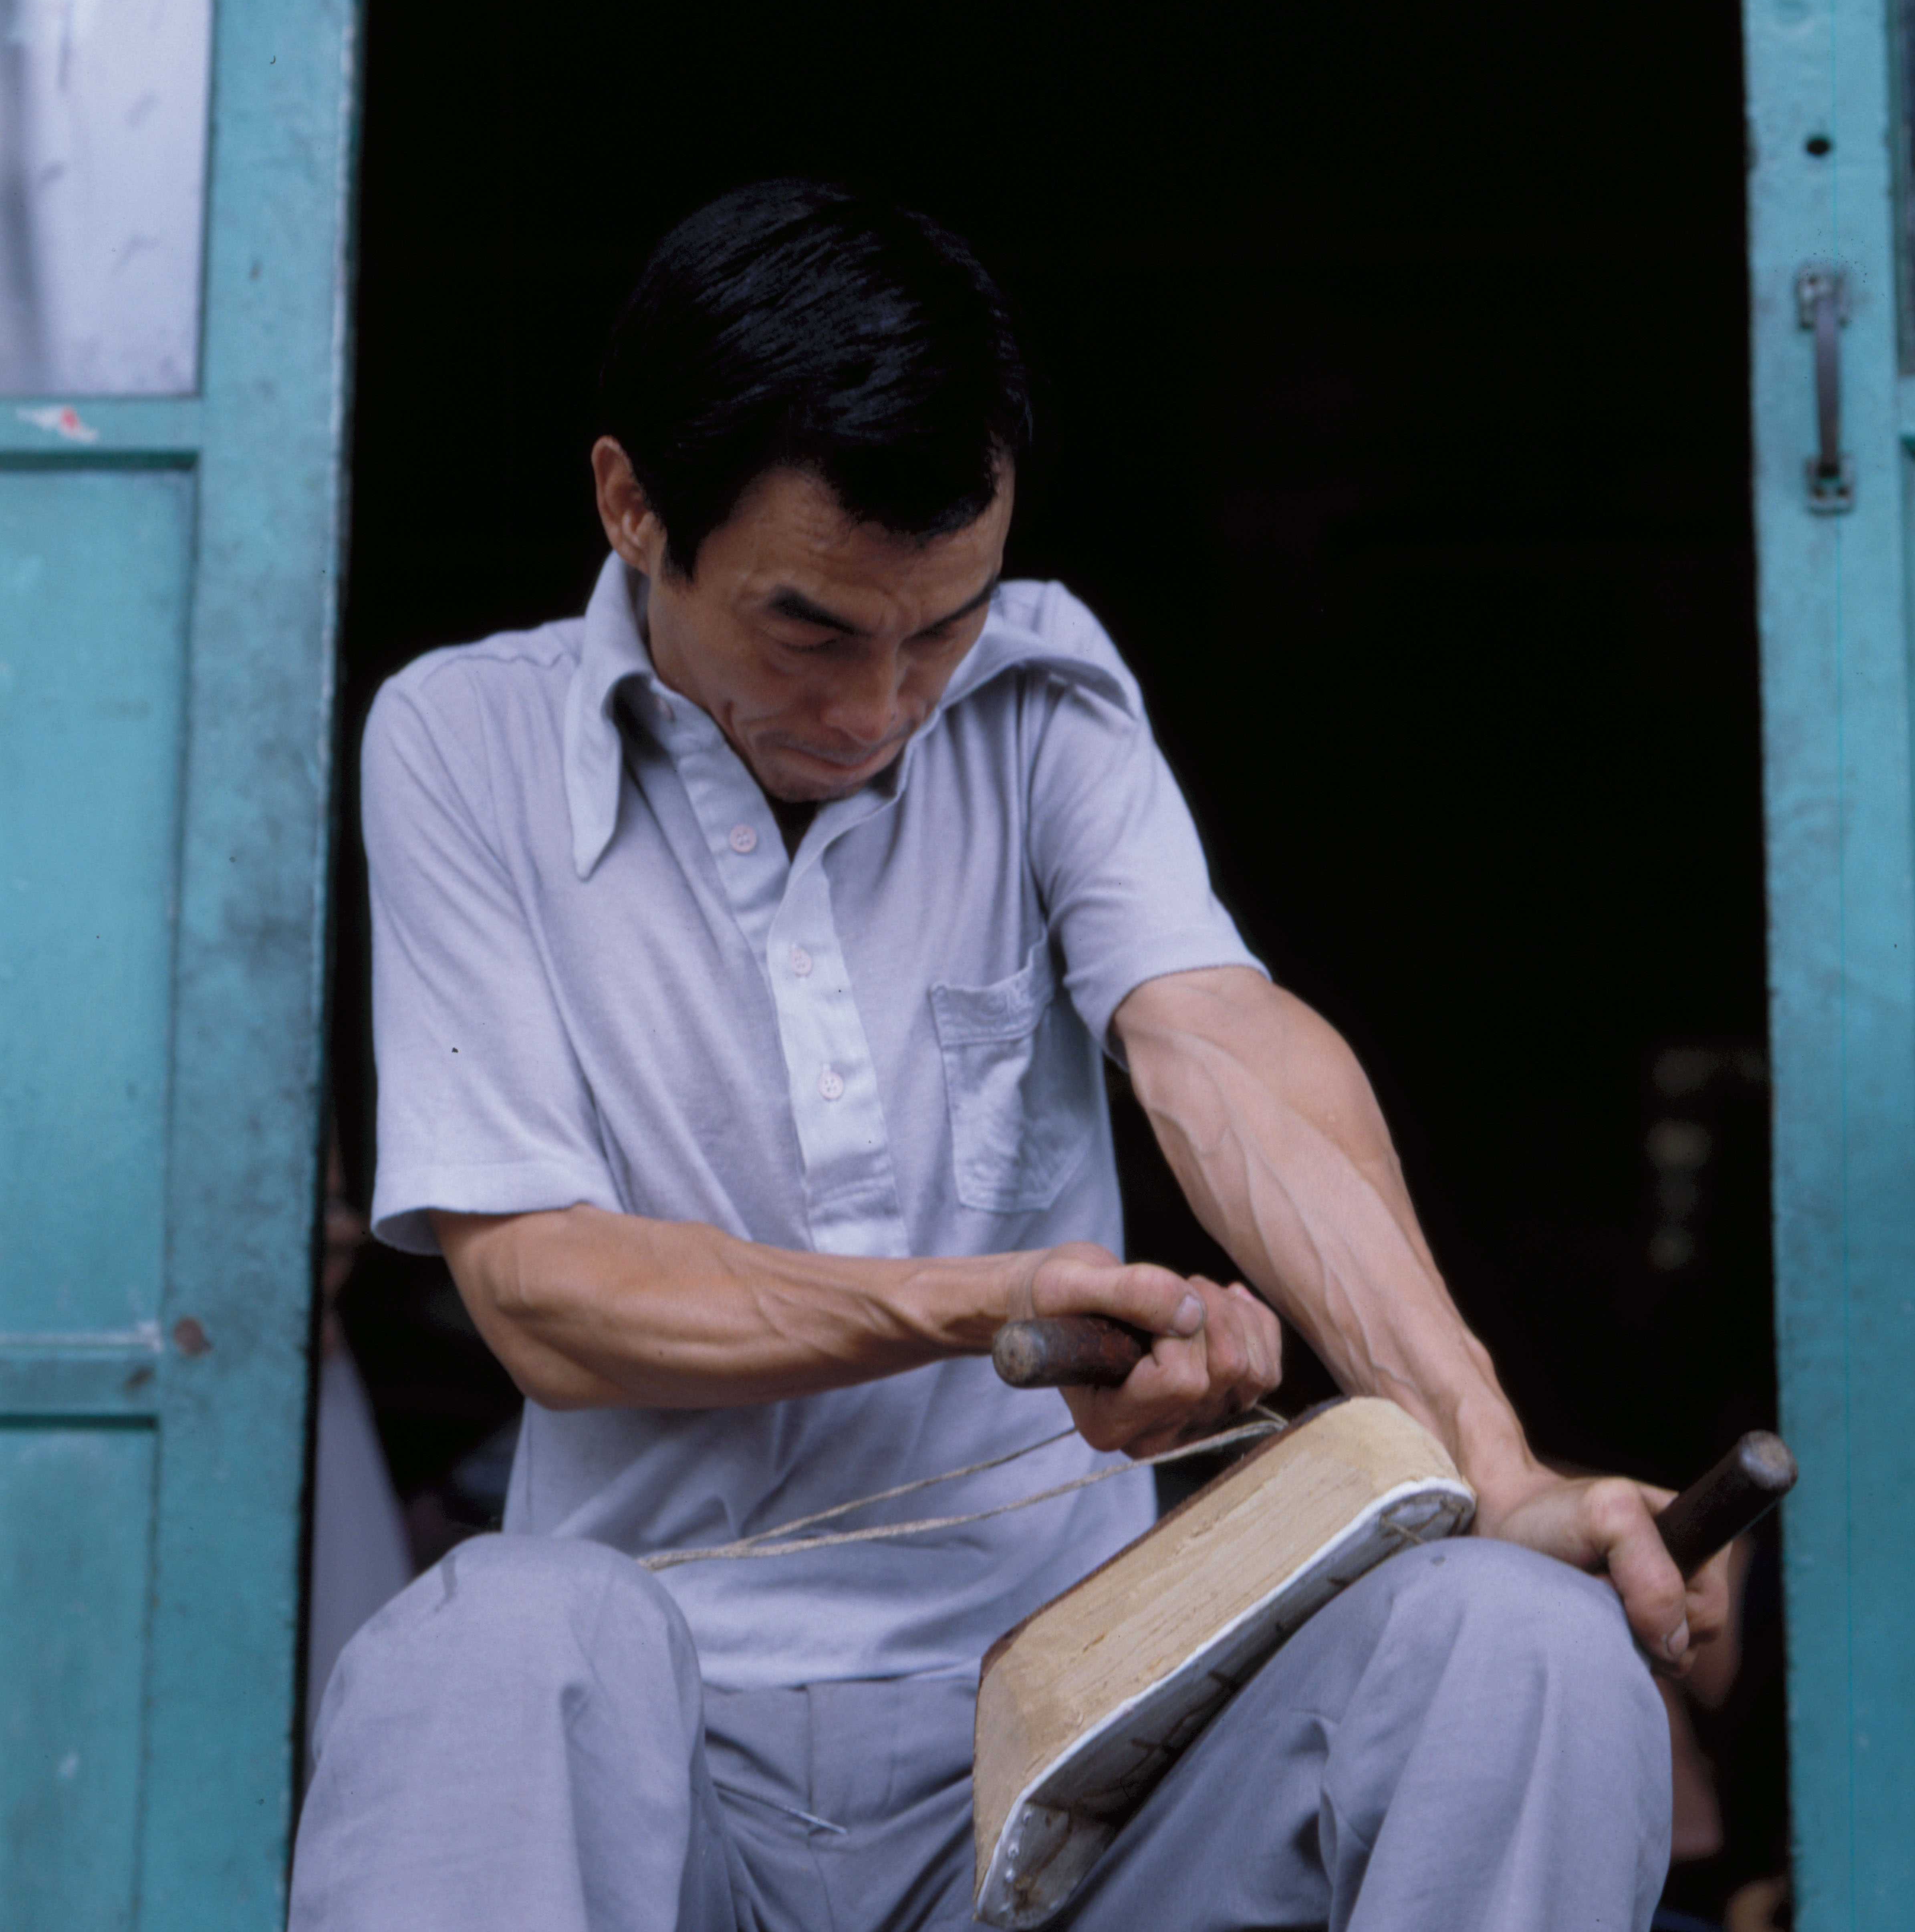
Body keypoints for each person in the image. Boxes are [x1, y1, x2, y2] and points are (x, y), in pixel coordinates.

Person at [289, 180, 1721, 1932]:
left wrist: (1494, 1465)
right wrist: (987, 1303)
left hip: (1066, 1760)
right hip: (667, 1775)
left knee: (1528, 1638)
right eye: (812, 628)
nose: (880, 708)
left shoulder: (1044, 691)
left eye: (941, 624)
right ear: (631, 504)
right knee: (492, 1633)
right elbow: (542, 1294)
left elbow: (1215, 1046)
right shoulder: (462, 738)